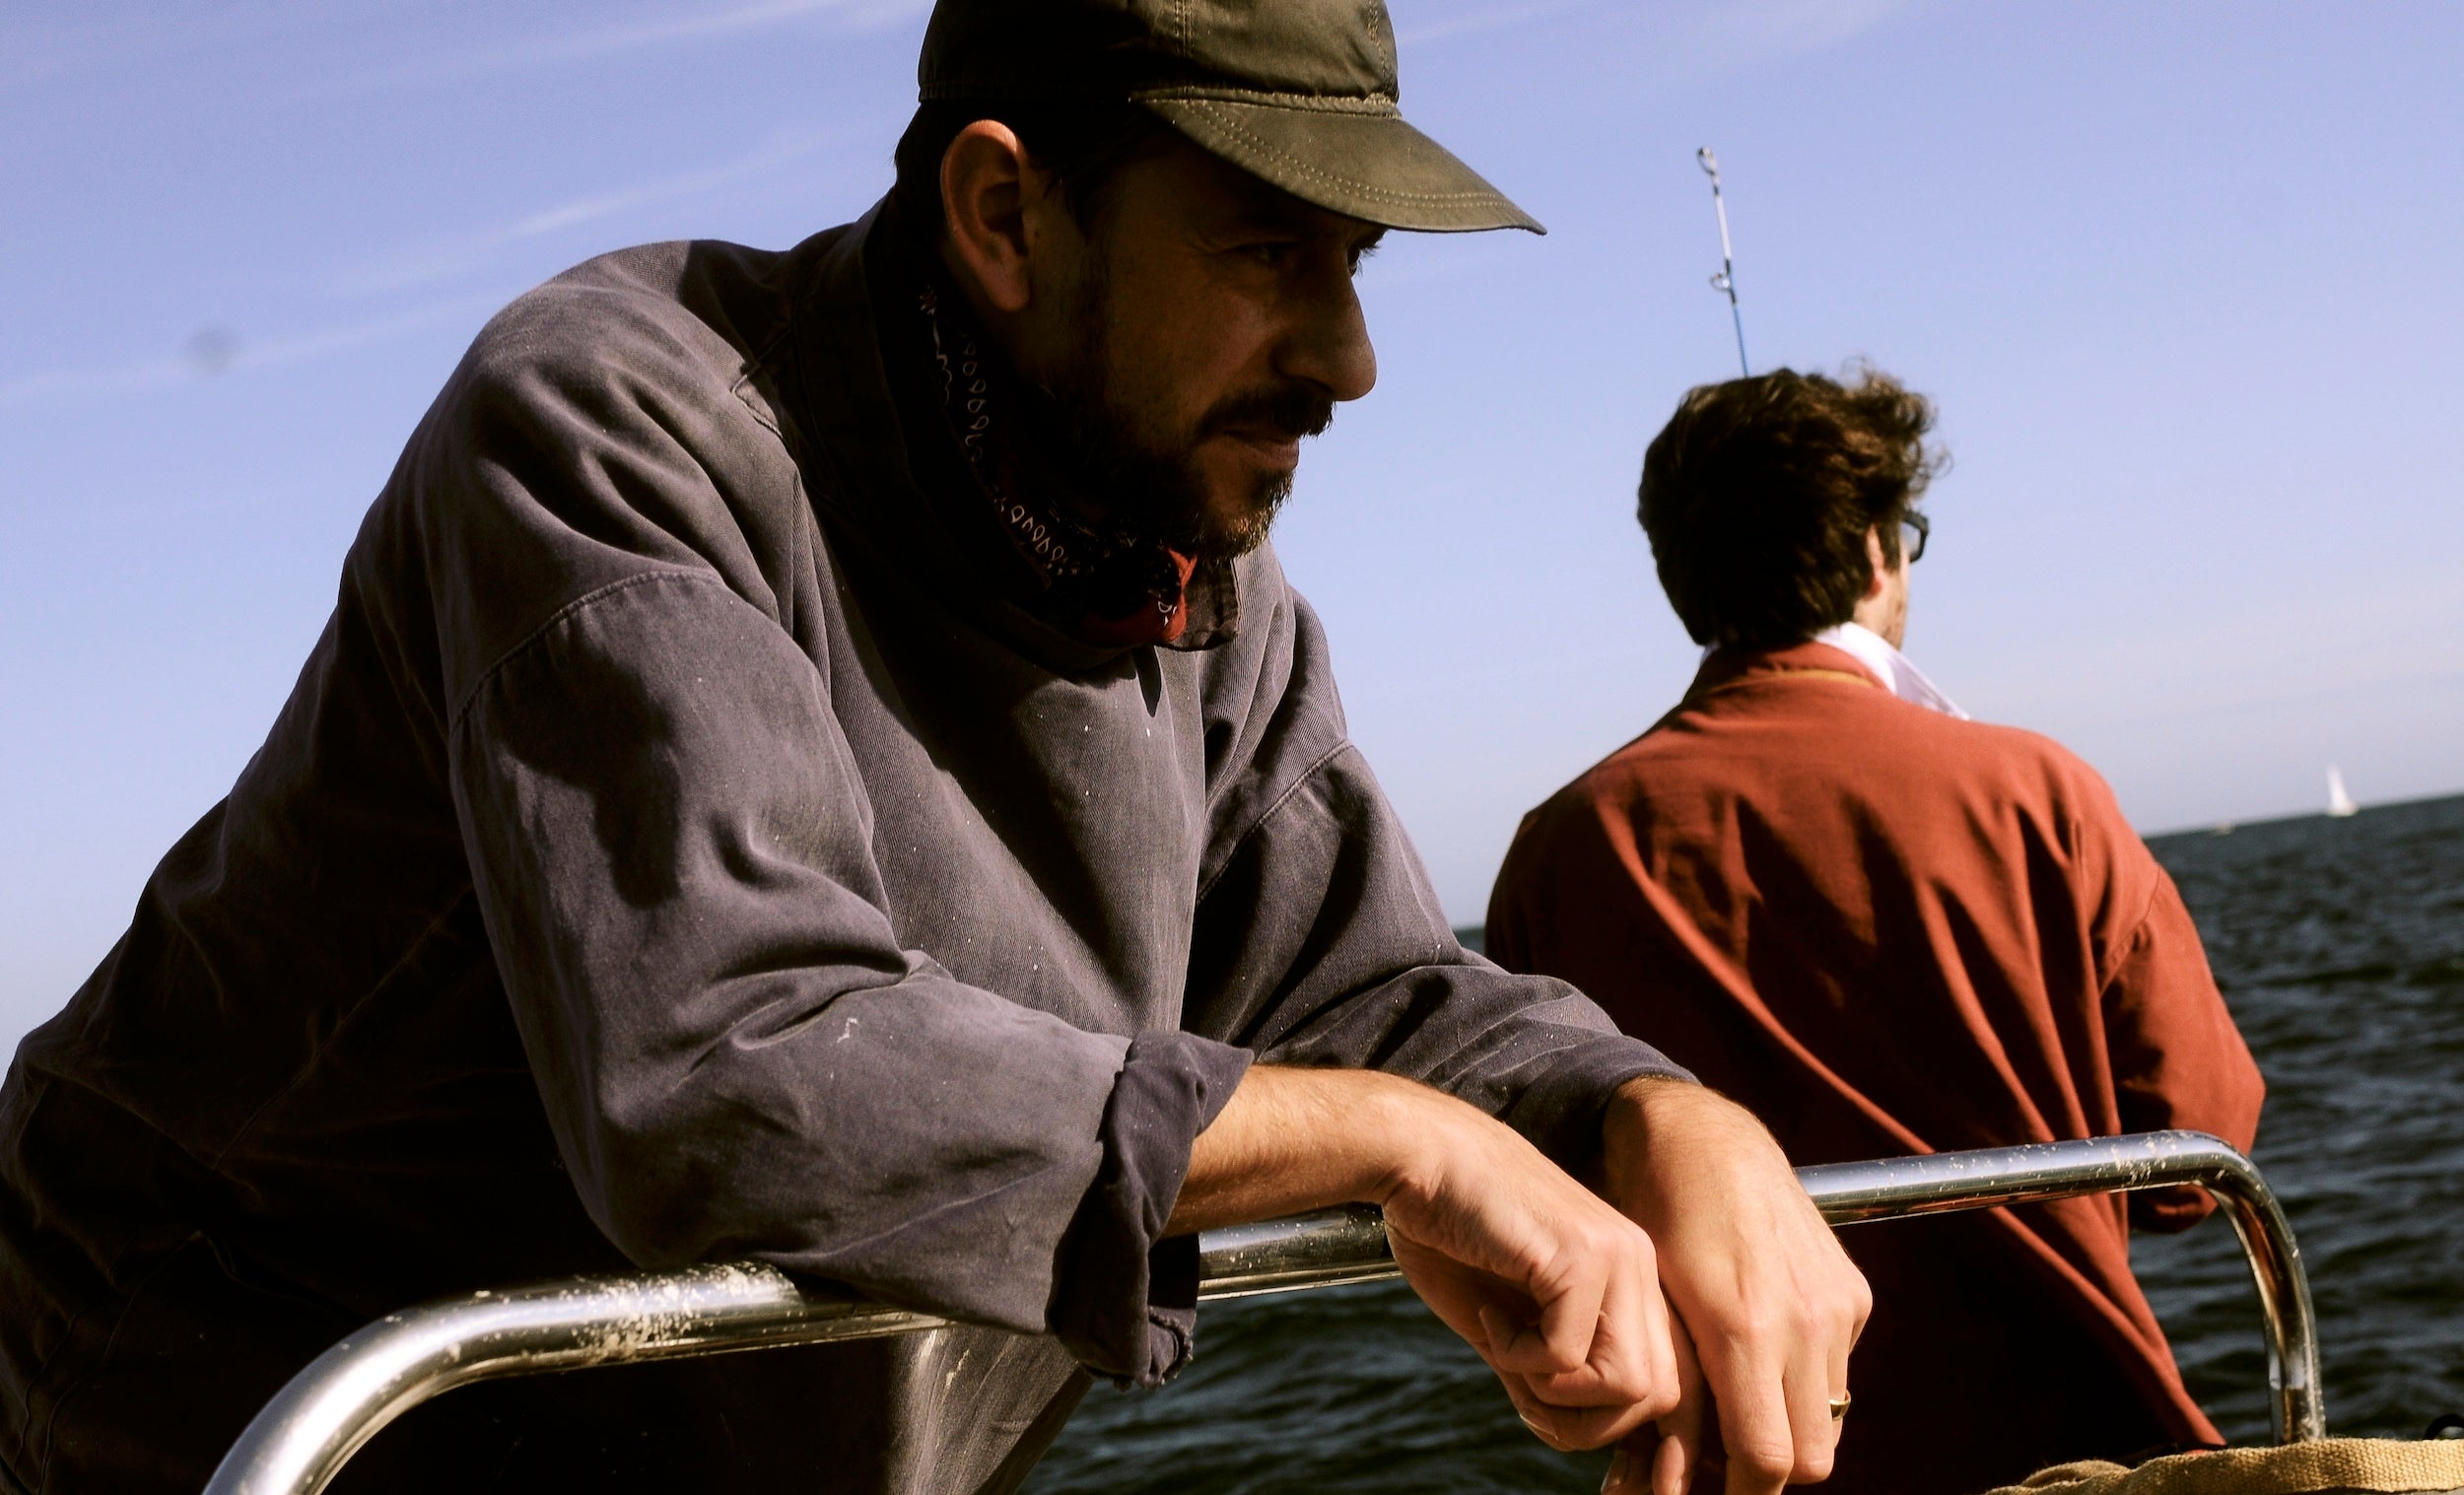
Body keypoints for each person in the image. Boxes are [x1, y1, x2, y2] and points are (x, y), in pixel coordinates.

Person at [0, 6, 1870, 1494]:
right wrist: (1394, 1145)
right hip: (236, 1431)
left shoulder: (1198, 576)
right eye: (1266, 250)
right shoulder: (618, 425)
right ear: (1001, 213)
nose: (1352, 352)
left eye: (1358, 258)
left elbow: (1370, 988)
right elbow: (733, 1064)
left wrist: (1651, 1110)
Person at [1486, 368, 2265, 1495]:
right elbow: (2196, 1153)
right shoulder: (2037, 792)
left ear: (1679, 582)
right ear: (1872, 551)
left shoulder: (1558, 847)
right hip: (2084, 1438)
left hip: (1742, 1468)